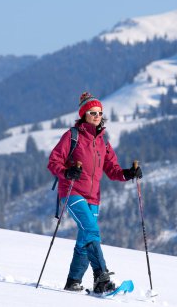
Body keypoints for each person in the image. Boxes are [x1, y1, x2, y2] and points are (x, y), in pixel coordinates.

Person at [47, 92, 142, 293]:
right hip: (72, 192)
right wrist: (66, 171)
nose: (97, 115)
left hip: (94, 197)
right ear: (84, 115)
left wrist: (128, 173)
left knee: (85, 238)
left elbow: (112, 169)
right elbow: (53, 161)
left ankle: (73, 281)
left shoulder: (103, 142)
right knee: (91, 230)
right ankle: (101, 277)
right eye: (92, 112)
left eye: (99, 112)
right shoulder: (72, 136)